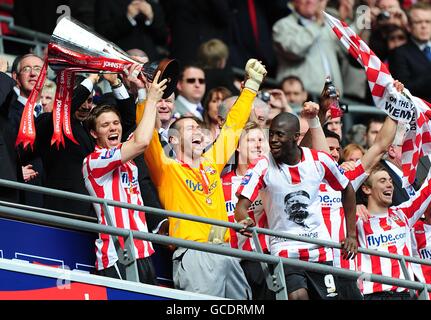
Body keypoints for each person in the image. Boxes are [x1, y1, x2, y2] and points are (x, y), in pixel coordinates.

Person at [143, 58, 267, 298]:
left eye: (199, 129)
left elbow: (233, 126)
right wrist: (146, 98)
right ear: (175, 140)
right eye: (190, 129)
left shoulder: (212, 162)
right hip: (194, 251)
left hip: (226, 250)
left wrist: (251, 86)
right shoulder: (167, 168)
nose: (198, 132)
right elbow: (146, 139)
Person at [235, 112, 358, 300]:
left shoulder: (319, 160)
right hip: (285, 250)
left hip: (320, 251)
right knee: (297, 297)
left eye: (279, 135)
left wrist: (351, 234)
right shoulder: (263, 166)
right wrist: (245, 218)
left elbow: (347, 189)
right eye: (271, 135)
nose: (273, 140)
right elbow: (241, 206)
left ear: (295, 137)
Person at [82, 67, 167, 282]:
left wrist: (143, 92)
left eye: (116, 123)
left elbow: (147, 132)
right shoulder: (94, 161)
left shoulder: (127, 157)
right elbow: (142, 141)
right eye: (105, 125)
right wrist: (152, 100)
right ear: (94, 133)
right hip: (117, 254)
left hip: (143, 250)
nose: (113, 128)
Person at [356, 164, 431, 299]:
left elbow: (428, 189)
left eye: (390, 181)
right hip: (373, 295)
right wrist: (352, 207)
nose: (390, 185)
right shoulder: (356, 220)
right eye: (382, 181)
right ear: (366, 189)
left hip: (405, 294)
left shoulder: (403, 214)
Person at [272, 0, 344, 97]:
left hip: (333, 98)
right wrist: (316, 24)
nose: (310, 1)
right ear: (294, 2)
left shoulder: (326, 25)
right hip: (301, 99)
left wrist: (351, 22)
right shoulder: (282, 26)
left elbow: (346, 51)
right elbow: (294, 50)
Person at [389, 2, 431, 101]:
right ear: (408, 26)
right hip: (419, 112)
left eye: (428, 21)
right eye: (418, 22)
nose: (424, 26)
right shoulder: (399, 53)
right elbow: (403, 89)